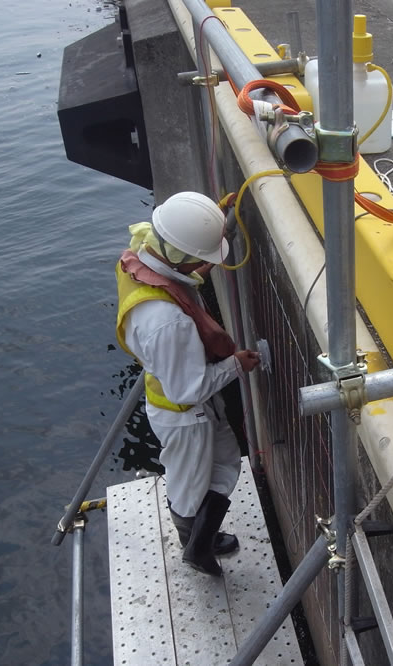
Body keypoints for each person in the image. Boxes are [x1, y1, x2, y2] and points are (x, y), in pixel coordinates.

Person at [115, 191, 261, 576]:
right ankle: (195, 546)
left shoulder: (144, 248)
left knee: (226, 462)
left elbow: (181, 268)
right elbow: (186, 390)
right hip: (183, 412)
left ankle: (202, 537)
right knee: (189, 487)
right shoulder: (168, 323)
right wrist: (236, 364)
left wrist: (216, 219)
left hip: (181, 400)